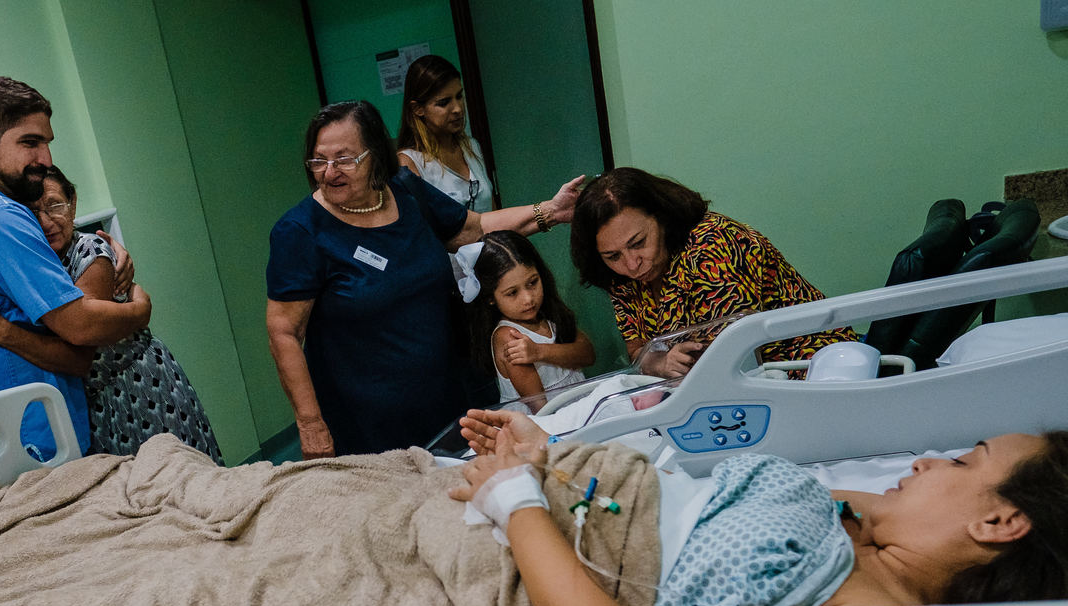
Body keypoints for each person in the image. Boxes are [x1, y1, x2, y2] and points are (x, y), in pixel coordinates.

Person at [453, 407, 1068, 606]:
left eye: (963, 462)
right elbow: (687, 501)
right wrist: (550, 459)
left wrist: (518, 504)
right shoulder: (874, 523)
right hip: (554, 499)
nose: (925, 463)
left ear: (999, 522)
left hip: (524, 542)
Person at [265, 99, 583, 458]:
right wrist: (310, 424)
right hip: (365, 426)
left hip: (446, 405)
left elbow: (473, 228)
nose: (329, 171)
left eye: (344, 159)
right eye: (319, 160)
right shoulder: (300, 232)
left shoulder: (405, 191)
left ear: (375, 155)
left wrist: (550, 211)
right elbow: (284, 332)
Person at [0, 75, 151, 476]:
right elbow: (81, 328)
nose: (45, 158)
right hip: (29, 443)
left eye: (47, 142)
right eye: (30, 142)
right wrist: (140, 310)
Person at [0, 167, 223, 464]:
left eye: (55, 205)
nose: (46, 221)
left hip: (137, 390)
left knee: (175, 474)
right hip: (92, 403)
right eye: (32, 212)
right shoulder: (33, 263)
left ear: (73, 203)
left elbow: (79, 351)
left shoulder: (90, 251)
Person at [569, 168, 857, 378]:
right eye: (613, 256)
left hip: (808, 367)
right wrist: (660, 363)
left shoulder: (713, 244)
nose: (632, 264)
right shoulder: (620, 278)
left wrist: (673, 364)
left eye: (638, 243)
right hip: (713, 386)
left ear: (662, 218)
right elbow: (637, 350)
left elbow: (737, 358)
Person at [458, 230, 594, 413]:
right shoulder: (509, 337)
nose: (528, 299)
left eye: (532, 282)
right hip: (547, 421)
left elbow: (588, 355)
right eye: (512, 293)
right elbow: (541, 409)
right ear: (490, 297)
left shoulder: (547, 313)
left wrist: (539, 351)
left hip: (576, 411)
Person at [396, 55, 495, 211]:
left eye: (459, 96)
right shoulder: (409, 163)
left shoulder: (471, 147)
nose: (458, 109)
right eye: (444, 102)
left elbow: (494, 210)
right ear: (418, 109)